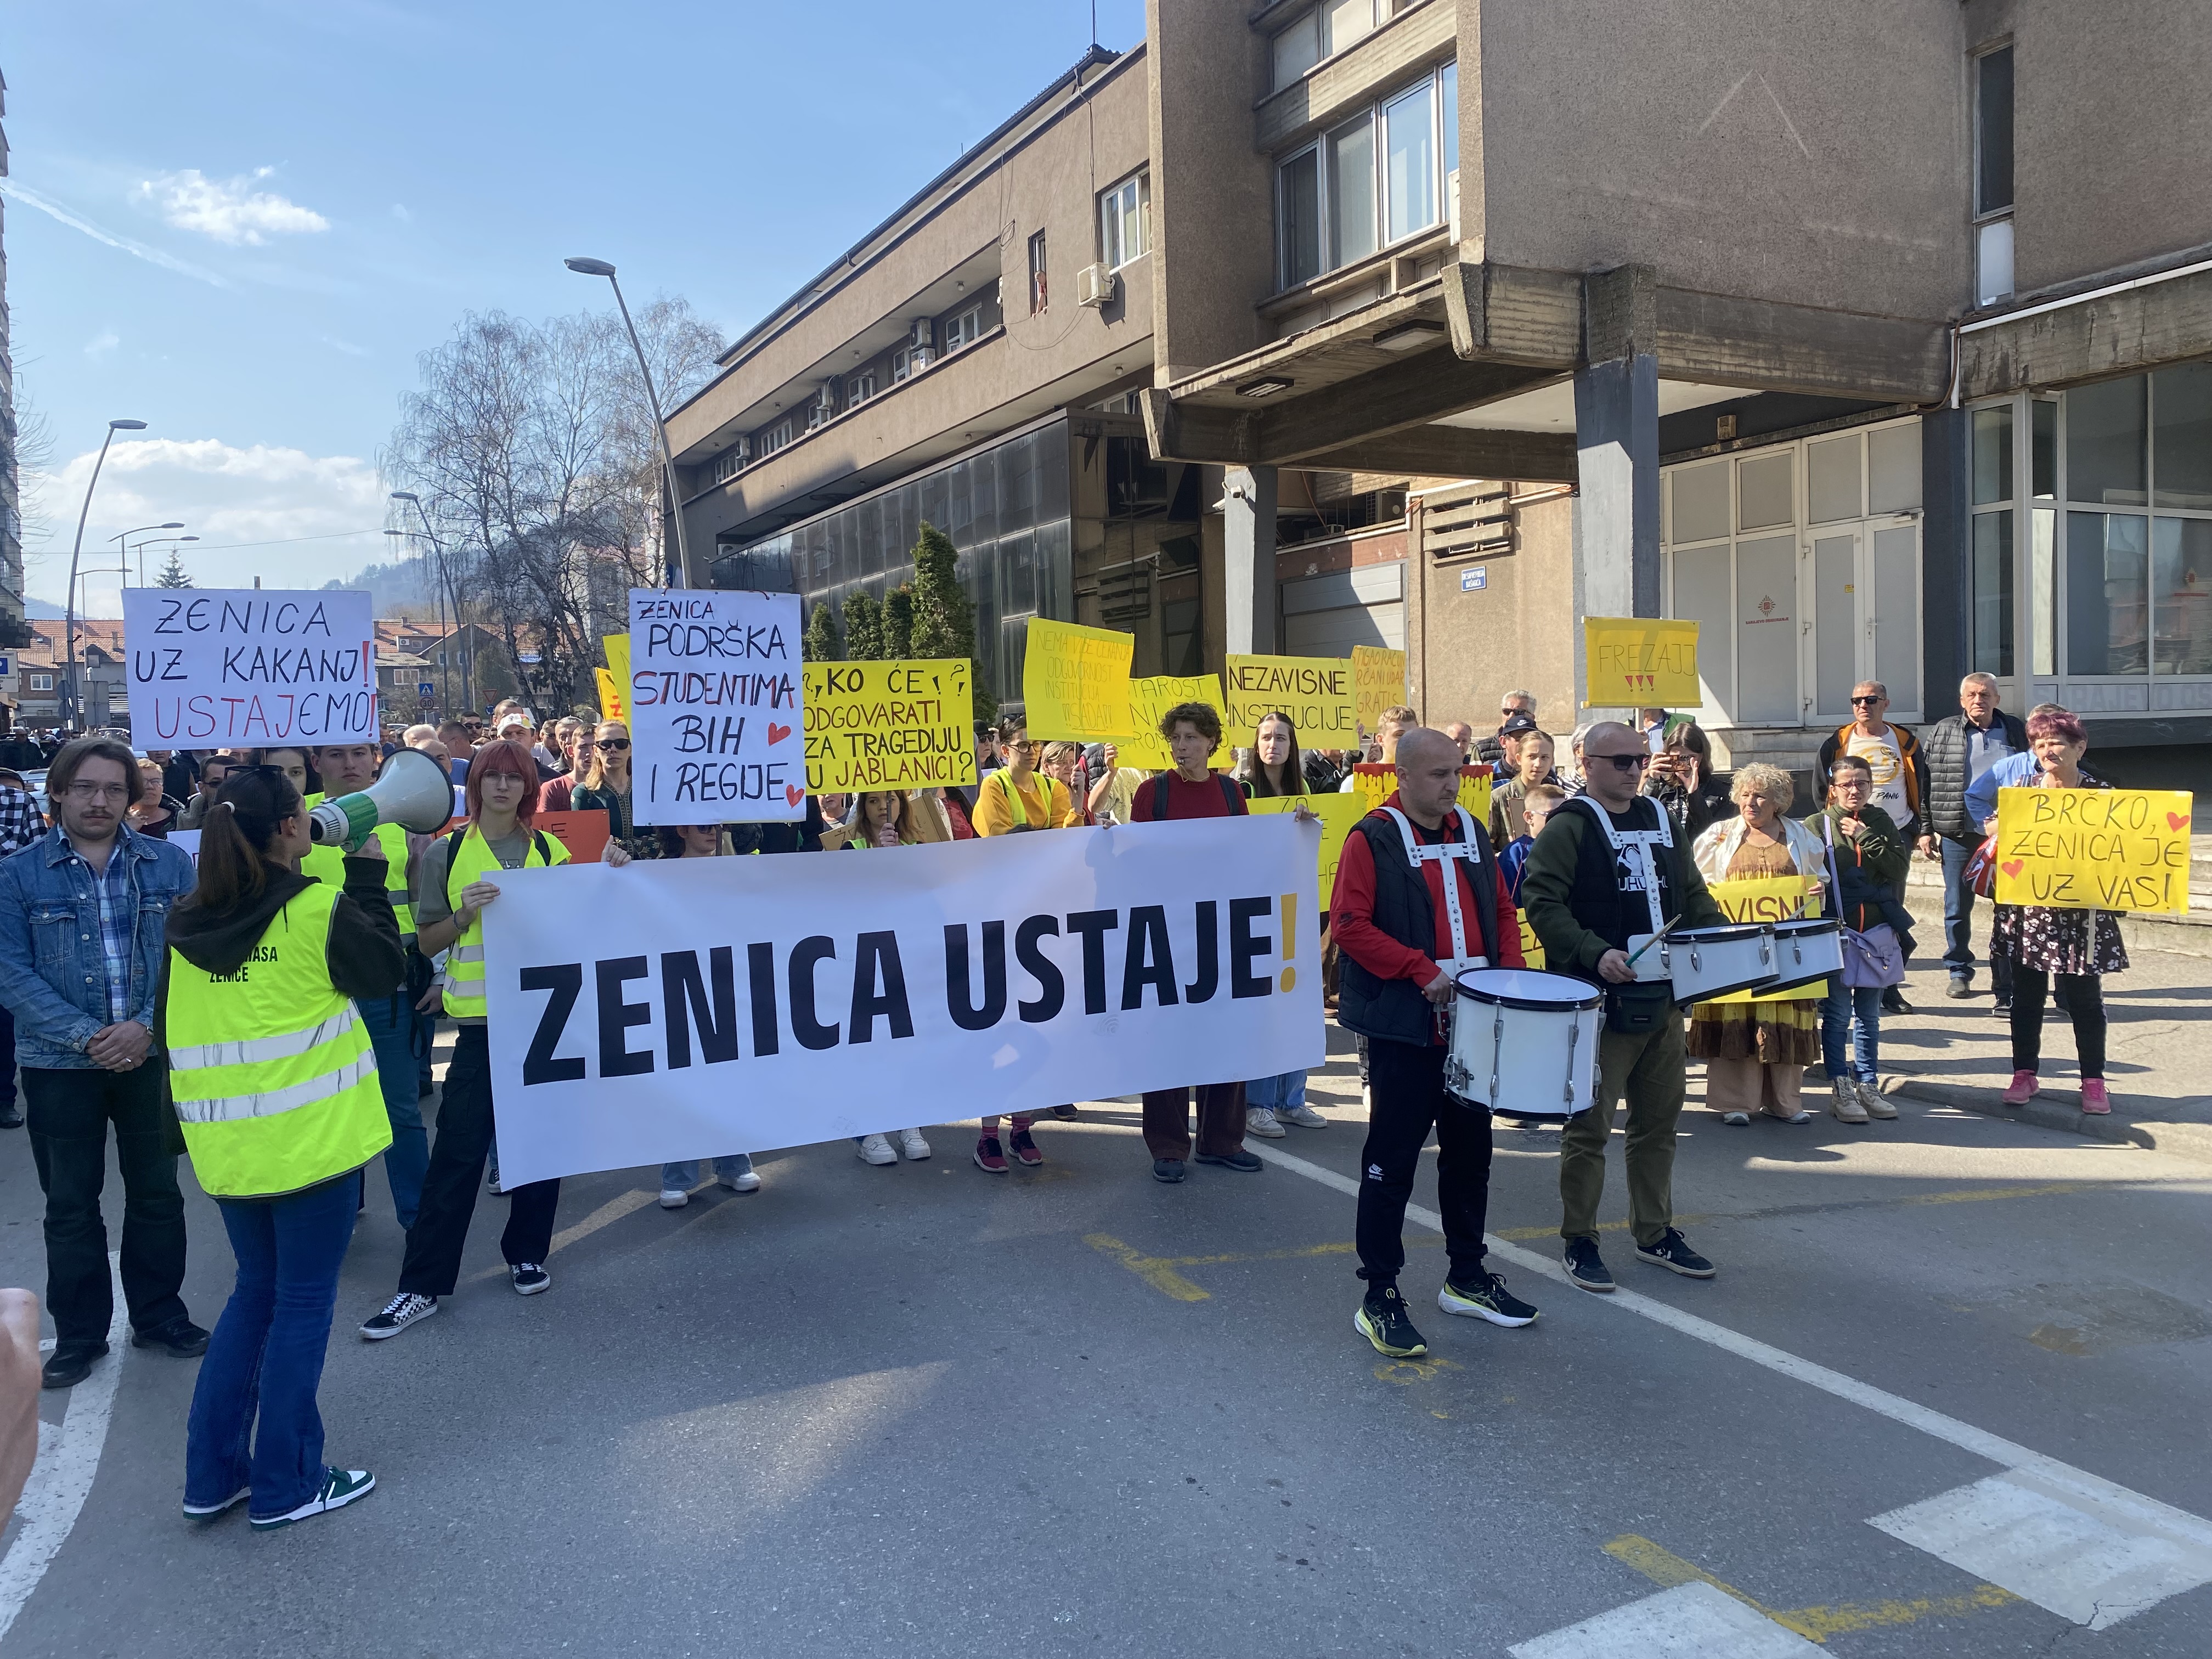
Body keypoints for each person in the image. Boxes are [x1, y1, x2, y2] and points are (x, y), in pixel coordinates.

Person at [164, 764, 402, 1530]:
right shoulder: (313, 910)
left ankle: (213, 1476)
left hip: (232, 1156)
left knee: (253, 1298)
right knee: (301, 1308)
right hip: (312, 1151)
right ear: (292, 829)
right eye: (302, 813)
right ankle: (290, 1483)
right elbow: (387, 972)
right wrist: (368, 878)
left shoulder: (187, 922)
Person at [358, 740, 594, 1341]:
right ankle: (422, 1285)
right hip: (483, 1028)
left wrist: (614, 872)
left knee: (539, 1150)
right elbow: (429, 943)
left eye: (515, 778)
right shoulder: (447, 853)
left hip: (543, 1025)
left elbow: (582, 925)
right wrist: (462, 916)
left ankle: (527, 1253)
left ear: (527, 788)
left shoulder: (550, 850)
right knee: (457, 1157)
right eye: (493, 776)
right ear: (477, 784)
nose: (503, 787)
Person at [0, 737, 204, 1390]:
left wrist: (145, 1029)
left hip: (148, 1058)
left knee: (156, 1195)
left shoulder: (170, 865)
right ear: (56, 792)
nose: (100, 801)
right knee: (69, 1203)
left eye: (115, 790)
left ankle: (159, 1314)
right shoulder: (18, 874)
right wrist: (91, 1038)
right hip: (58, 1067)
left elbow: (190, 961)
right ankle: (81, 1333)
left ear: (132, 797)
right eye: (85, 787)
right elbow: (11, 972)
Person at [1333, 726, 1538, 1357]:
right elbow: (1350, 925)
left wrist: (1509, 981)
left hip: (1471, 1027)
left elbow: (1502, 911)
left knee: (1470, 1156)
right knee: (1391, 1162)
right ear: (1403, 776)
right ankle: (1381, 1294)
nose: (1452, 784)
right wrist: (1420, 970)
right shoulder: (1371, 837)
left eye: (1457, 772)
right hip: (1405, 1030)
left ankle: (1467, 1277)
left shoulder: (1473, 831)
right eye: (1438, 774)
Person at [1521, 720, 1728, 1294]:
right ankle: (1579, 1238)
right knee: (1589, 1128)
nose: (1635, 769)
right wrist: (1595, 952)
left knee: (1657, 1125)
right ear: (1586, 763)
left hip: (1663, 1002)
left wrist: (1720, 942)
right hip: (1597, 1003)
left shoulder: (1662, 819)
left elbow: (1692, 895)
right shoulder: (1570, 825)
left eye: (1640, 758)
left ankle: (1655, 1231)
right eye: (1621, 761)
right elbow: (1540, 901)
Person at [1129, 702, 1262, 1182]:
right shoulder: (1153, 793)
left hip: (1223, 932)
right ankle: (1167, 1146)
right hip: (1167, 936)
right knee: (1168, 1041)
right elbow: (1136, 862)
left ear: (1211, 742)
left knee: (1226, 1037)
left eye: (1190, 738)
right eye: (1176, 738)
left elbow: (1250, 852)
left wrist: (1295, 830)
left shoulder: (1231, 792)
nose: (1182, 747)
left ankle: (1221, 1140)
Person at [305, 741, 432, 1230]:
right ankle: (338, 1211)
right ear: (317, 764)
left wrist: (431, 971)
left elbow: (420, 906)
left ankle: (420, 1224)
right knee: (328, 1109)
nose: (351, 764)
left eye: (360, 753)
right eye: (336, 755)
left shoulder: (401, 820)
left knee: (400, 1110)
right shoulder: (298, 822)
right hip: (319, 990)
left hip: (388, 987)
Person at [1991, 709, 2126, 1115]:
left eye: (2056, 743)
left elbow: (2125, 852)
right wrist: (1997, 829)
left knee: (2085, 1001)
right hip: (2031, 911)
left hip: (2083, 916)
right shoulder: (2023, 790)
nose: (2047, 750)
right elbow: (2001, 839)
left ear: (2080, 748)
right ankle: (2024, 1072)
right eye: (2039, 744)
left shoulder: (2102, 794)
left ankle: (2093, 1080)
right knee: (2026, 998)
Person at [1686, 765, 1830, 1126]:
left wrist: (1818, 891)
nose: (1751, 802)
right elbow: (1697, 885)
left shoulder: (1801, 837)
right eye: (1746, 795)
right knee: (1739, 1014)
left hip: (1786, 947)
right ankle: (1737, 1101)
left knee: (1782, 1015)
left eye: (1761, 795)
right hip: (1736, 948)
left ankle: (1785, 1101)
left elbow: (1820, 882)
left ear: (1778, 802)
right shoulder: (1718, 837)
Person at [648, 823, 763, 1206]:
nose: (713, 833)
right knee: (684, 1082)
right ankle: (677, 1174)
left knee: (730, 1074)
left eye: (720, 826)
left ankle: (733, 1163)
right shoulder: (657, 876)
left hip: (726, 985)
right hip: (679, 988)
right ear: (681, 830)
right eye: (703, 826)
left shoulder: (734, 872)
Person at [1233, 713, 1329, 1141]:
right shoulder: (1244, 790)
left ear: (1293, 746)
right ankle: (1258, 1104)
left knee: (1297, 1004)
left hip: (1295, 908)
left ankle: (1292, 1100)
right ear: (1255, 744)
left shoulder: (1302, 791)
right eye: (1266, 737)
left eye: (1282, 738)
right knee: (1264, 1010)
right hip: (1256, 911)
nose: (1273, 744)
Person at [1804, 754, 1912, 1125]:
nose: (1855, 790)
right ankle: (1840, 1085)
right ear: (1832, 789)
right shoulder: (1816, 825)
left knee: (1869, 1015)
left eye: (1862, 783)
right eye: (1847, 784)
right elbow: (1800, 872)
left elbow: (1898, 869)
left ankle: (1869, 1083)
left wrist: (1864, 835)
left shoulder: (1881, 820)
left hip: (1877, 931)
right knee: (1836, 1013)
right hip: (1836, 930)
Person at [1817, 681, 1925, 1014]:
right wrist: (1831, 825)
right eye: (1857, 700)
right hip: (1843, 834)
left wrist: (1921, 829)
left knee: (1886, 911)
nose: (1864, 705)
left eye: (1871, 699)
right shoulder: (1838, 741)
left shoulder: (1905, 740)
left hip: (1895, 829)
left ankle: (1888, 986)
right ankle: (1834, 987)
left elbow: (1923, 781)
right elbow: (1823, 786)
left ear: (1886, 703)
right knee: (1841, 911)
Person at [1919, 673, 2028, 1006]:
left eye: (1985, 694)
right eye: (1971, 694)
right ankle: (1959, 970)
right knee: (1956, 907)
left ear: (1997, 699)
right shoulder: (1943, 731)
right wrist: (1926, 828)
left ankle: (2007, 978)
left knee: (2009, 908)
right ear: (1961, 700)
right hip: (1958, 832)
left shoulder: (2015, 730)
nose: (1978, 700)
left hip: (2012, 836)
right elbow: (1927, 782)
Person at [0, 767, 47, 1131]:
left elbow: (42, 865)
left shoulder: (17, 804)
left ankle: (2, 1099)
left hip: (9, 926)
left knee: (4, 1021)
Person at [973, 715, 1077, 834]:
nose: (1032, 751)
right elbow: (1001, 837)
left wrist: (1078, 807)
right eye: (1023, 745)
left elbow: (1066, 837)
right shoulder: (994, 785)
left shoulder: (1055, 788)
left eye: (1037, 744)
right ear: (1005, 751)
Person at [570, 719, 657, 862]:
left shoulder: (650, 788)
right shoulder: (584, 794)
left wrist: (620, 846)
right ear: (596, 751)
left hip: (653, 871)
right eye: (605, 744)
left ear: (630, 749)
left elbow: (665, 838)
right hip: (607, 872)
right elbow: (586, 845)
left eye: (621, 744)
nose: (613, 749)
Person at [1642, 722, 1731, 842]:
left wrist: (1694, 794)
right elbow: (1640, 820)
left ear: (1702, 757)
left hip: (1700, 857)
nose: (1683, 764)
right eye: (1677, 758)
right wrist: (1652, 781)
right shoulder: (1661, 787)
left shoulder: (1721, 792)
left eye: (1689, 757)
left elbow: (1714, 836)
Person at [1499, 781, 1565, 902]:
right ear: (1529, 817)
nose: (1559, 820)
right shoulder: (1515, 852)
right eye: (1551, 814)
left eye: (1563, 814)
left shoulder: (1571, 847)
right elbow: (1508, 900)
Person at [1489, 729, 1557, 844]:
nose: (1538, 764)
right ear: (1519, 759)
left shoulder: (1557, 797)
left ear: (1552, 761)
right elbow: (1487, 846)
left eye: (1544, 757)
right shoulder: (1499, 798)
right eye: (1532, 757)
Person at [538, 720, 597, 813]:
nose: (590, 753)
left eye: (595, 747)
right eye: (583, 747)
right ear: (571, 751)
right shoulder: (552, 789)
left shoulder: (613, 788)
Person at [1471, 690, 1537, 770]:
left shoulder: (1542, 745)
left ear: (1532, 717)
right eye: (1506, 711)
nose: (1511, 716)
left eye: (1519, 712)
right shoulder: (1481, 749)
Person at [129, 759, 187, 839]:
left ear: (163, 786)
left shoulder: (182, 820)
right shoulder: (116, 820)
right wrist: (127, 831)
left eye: (155, 781)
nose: (150, 787)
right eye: (142, 781)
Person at [178, 752, 236, 830]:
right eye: (216, 783)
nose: (224, 788)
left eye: (231, 782)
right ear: (202, 788)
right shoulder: (186, 824)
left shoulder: (255, 818)